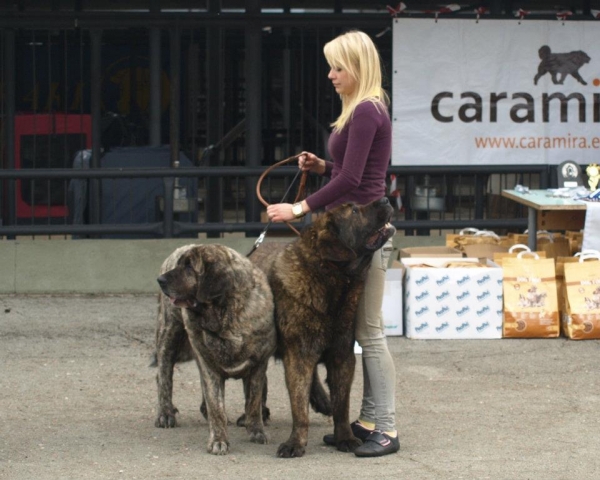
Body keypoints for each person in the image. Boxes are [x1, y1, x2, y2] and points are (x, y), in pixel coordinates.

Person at [266, 30, 398, 458]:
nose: (330, 74)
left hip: (363, 238)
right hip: (353, 237)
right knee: (359, 334)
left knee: (369, 333)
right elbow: (348, 171)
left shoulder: (364, 111)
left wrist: (298, 208)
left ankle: (387, 429)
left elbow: (354, 181)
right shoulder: (366, 108)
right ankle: (366, 422)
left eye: (338, 67)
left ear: (357, 67)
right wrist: (322, 165)